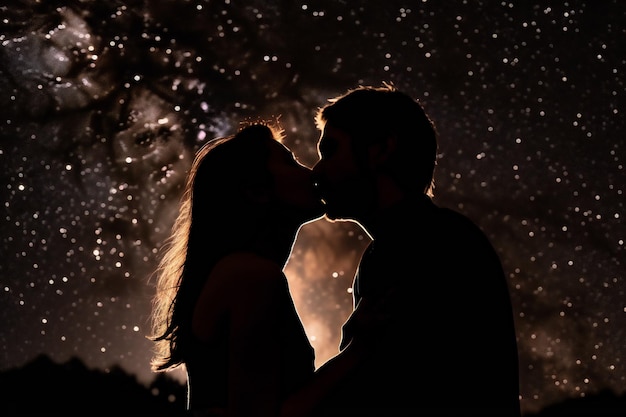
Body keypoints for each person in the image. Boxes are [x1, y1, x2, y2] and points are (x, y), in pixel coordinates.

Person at [307, 83, 522, 416]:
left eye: (331, 149)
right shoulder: (431, 238)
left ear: (381, 149)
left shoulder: (427, 245)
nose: (317, 170)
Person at [148, 122, 326, 417]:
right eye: (290, 163)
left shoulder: (239, 272)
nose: (313, 172)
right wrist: (362, 351)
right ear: (257, 191)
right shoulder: (250, 277)